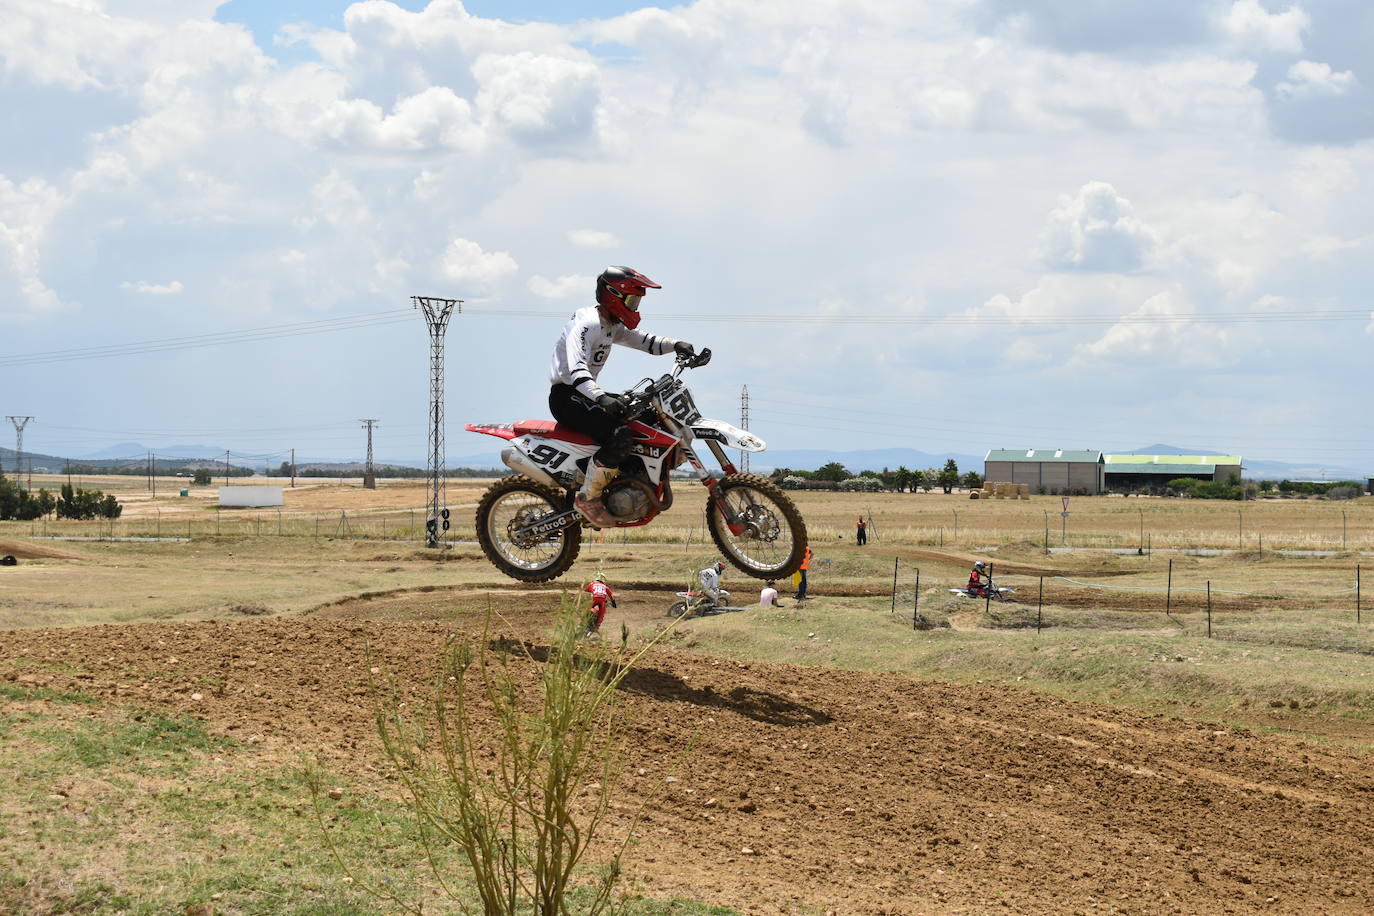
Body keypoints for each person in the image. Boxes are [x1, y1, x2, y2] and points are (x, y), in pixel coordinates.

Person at [549, 266, 697, 527]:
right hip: (568, 396)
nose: (636, 306)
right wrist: (601, 397)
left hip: (588, 393)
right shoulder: (587, 323)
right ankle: (589, 498)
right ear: (613, 296)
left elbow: (642, 340)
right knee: (620, 435)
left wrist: (676, 344)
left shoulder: (610, 324)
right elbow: (576, 368)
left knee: (650, 417)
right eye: (633, 300)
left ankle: (631, 480)